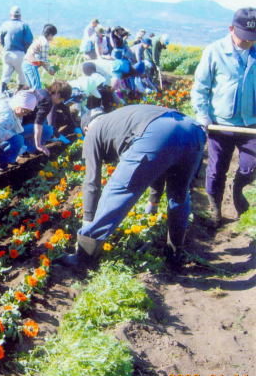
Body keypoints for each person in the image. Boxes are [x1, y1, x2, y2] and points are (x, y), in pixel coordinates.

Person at [59, 105, 205, 269]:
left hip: (157, 134)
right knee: (179, 195)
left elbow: (92, 182)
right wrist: (153, 203)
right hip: (192, 129)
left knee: (117, 191)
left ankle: (84, 257)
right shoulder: (121, 118)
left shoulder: (93, 131)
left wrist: (87, 221)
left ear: (86, 128)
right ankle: (174, 253)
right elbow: (159, 159)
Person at [191, 7, 256, 224]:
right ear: (231, 29)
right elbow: (201, 87)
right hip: (221, 123)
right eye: (244, 38)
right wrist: (203, 116)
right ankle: (215, 208)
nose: (248, 42)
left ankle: (237, 189)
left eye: (253, 38)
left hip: (251, 124)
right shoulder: (214, 51)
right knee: (217, 168)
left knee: (251, 166)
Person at [0, 5, 33, 94]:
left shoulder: (5, 24)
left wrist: (5, 47)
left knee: (6, 73)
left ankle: (2, 91)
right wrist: (26, 50)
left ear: (11, 15)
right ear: (20, 15)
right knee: (22, 75)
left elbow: (1, 39)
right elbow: (29, 40)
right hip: (19, 53)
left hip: (7, 53)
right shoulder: (24, 25)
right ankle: (19, 93)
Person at [22, 24, 57, 89]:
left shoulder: (39, 39)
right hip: (31, 65)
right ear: (49, 34)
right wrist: (51, 71)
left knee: (30, 88)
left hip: (25, 63)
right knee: (37, 88)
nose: (52, 38)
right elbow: (44, 61)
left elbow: (41, 59)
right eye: (53, 36)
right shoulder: (45, 43)